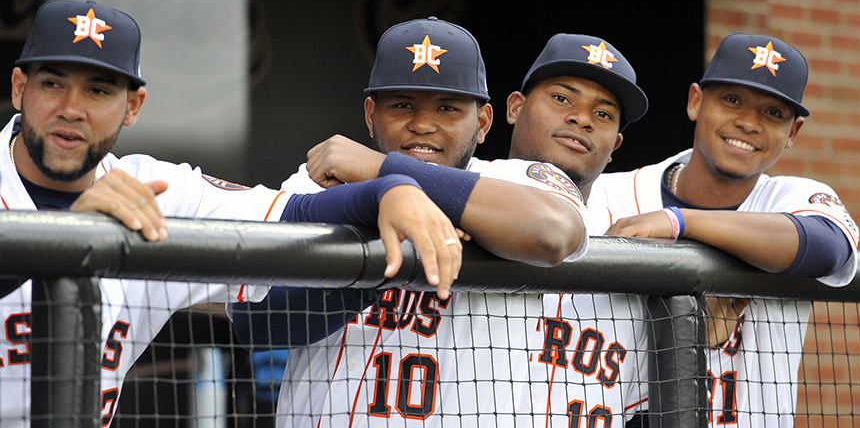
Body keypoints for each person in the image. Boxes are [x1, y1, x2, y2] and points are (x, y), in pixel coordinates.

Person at [0, 0, 462, 428]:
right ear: (21, 88)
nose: (71, 109)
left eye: (98, 90)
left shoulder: (155, 192)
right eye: (53, 83)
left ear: (132, 107)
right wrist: (68, 234)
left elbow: (295, 213)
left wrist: (387, 190)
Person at [234, 24, 653, 426]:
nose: (422, 124)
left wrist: (384, 170)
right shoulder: (322, 179)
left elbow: (551, 232)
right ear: (370, 114)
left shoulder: (517, 183)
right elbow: (257, 324)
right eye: (402, 105)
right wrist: (383, 213)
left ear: (484, 122)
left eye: (448, 108)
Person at [589, 33, 860, 427]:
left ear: (794, 133)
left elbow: (828, 247)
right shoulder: (609, 194)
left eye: (773, 113)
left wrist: (680, 221)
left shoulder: (792, 197)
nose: (748, 123)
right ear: (696, 101)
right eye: (731, 100)